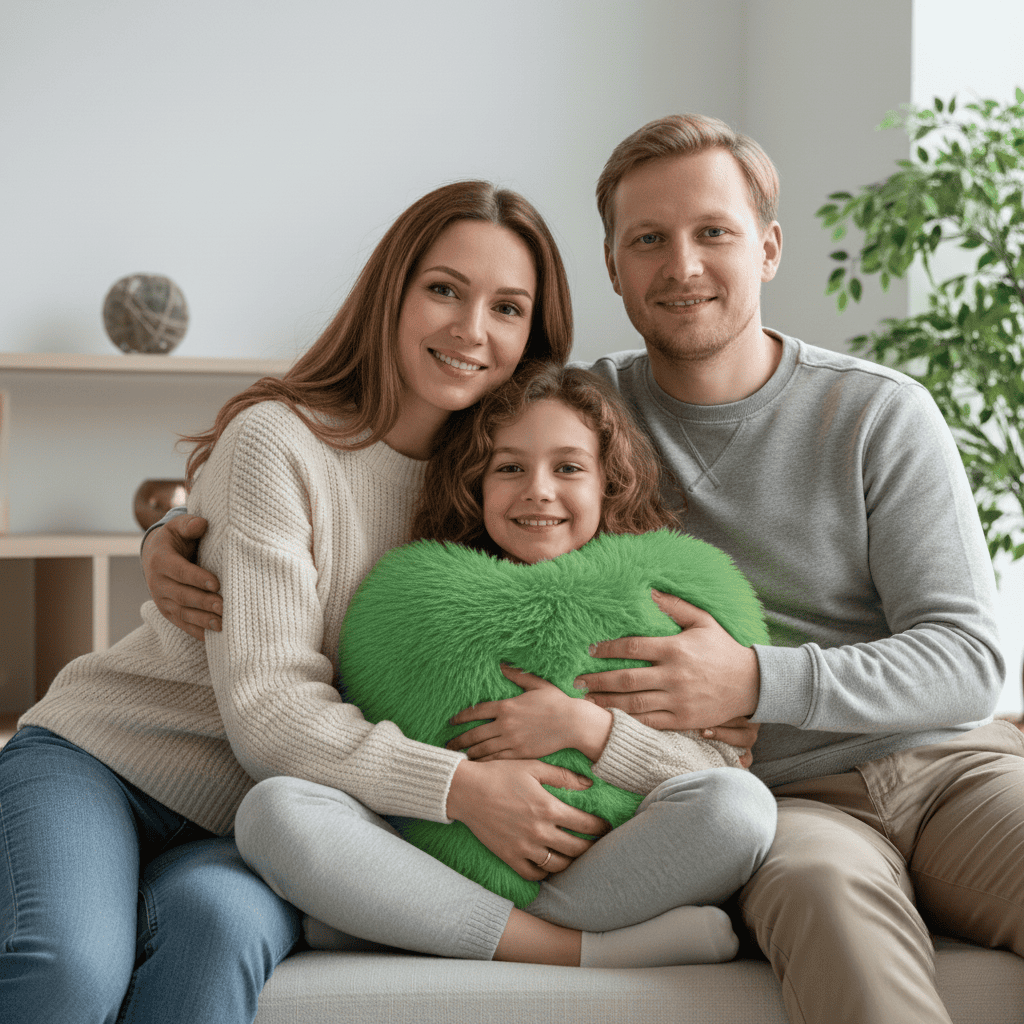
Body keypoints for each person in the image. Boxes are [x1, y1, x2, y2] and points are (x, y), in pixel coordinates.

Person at [144, 116, 1023, 1024]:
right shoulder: (590, 408)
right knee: (820, 904)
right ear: (612, 267)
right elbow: (417, 458)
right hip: (791, 802)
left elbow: (968, 661)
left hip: (951, 769)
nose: (681, 265)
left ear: (767, 248)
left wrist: (752, 678)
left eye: (712, 232)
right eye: (649, 240)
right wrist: (180, 530)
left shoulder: (878, 413)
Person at [0, 180, 584, 1023]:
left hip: (257, 820)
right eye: (444, 289)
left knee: (218, 939)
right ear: (391, 294)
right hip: (106, 766)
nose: (471, 328)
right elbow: (270, 710)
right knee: (70, 971)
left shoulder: (507, 490)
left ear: (534, 336)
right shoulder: (279, 441)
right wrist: (461, 788)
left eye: (508, 308)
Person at [233, 361, 775, 965]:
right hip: (442, 858)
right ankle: (579, 950)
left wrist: (588, 729)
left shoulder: (663, 602)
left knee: (740, 810)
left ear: (609, 482)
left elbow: (719, 769)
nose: (538, 490)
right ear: (476, 484)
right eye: (510, 467)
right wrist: (465, 791)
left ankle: (413, 924)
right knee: (272, 811)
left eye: (568, 468)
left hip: (600, 868)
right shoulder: (416, 602)